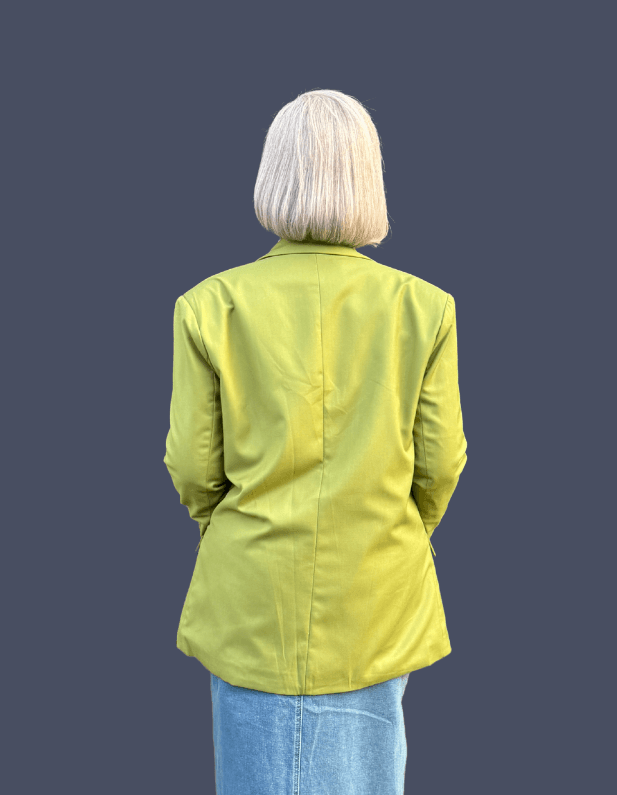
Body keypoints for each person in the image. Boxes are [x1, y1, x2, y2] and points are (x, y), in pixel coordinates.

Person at [163, 88, 468, 795]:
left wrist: (235, 532)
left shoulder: (209, 305)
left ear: (274, 174)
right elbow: (441, 463)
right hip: (376, 601)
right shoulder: (425, 308)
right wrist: (386, 535)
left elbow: (193, 466)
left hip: (252, 602)